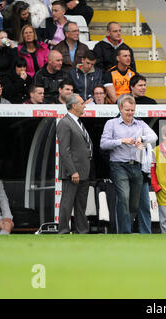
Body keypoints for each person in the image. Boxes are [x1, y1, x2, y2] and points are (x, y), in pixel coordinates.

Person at [100, 94, 157, 234]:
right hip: (118, 166)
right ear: (120, 109)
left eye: (132, 110)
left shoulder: (141, 124)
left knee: (134, 203)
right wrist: (121, 141)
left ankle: (128, 228)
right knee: (123, 198)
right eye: (127, 110)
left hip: (136, 166)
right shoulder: (111, 123)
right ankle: (124, 233)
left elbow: (154, 136)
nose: (130, 113)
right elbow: (103, 144)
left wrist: (141, 138)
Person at [56, 93, 92, 234]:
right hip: (73, 173)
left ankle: (81, 230)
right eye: (82, 103)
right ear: (74, 106)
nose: (84, 106)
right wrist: (73, 171)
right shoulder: (65, 123)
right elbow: (64, 151)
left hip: (83, 171)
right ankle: (63, 230)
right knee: (67, 203)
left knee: (81, 204)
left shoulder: (77, 121)